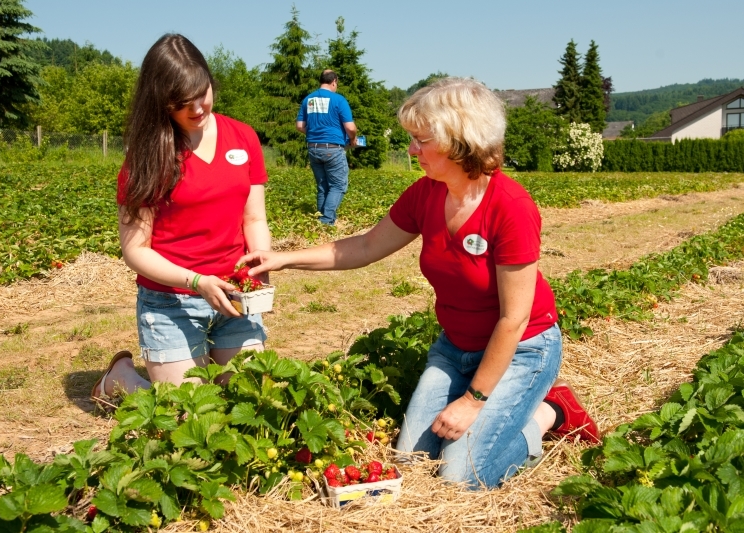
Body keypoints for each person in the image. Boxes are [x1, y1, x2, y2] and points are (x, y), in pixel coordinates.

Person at [243, 77, 600, 489]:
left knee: (461, 477)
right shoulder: (426, 194)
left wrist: (472, 401)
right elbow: (365, 246)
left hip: (522, 349)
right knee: (410, 461)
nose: (411, 150)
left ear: (457, 140)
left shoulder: (511, 208)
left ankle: (551, 411)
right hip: (456, 348)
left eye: (420, 139)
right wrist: (285, 258)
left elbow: (514, 320)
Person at [91, 34, 270, 404]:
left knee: (247, 400)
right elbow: (135, 251)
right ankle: (121, 378)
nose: (197, 109)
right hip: (171, 299)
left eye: (201, 93)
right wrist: (197, 281)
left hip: (233, 294)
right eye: (180, 103)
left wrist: (260, 263)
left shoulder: (243, 138)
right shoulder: (148, 155)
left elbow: (254, 218)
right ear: (160, 101)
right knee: (189, 415)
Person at [296, 69, 357, 226]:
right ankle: (327, 220)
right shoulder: (338, 100)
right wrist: (353, 139)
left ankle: (321, 218)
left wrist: (315, 133)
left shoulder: (308, 99)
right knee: (338, 185)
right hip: (333, 148)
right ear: (334, 81)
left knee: (323, 186)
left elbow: (300, 126)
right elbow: (350, 127)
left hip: (313, 147)